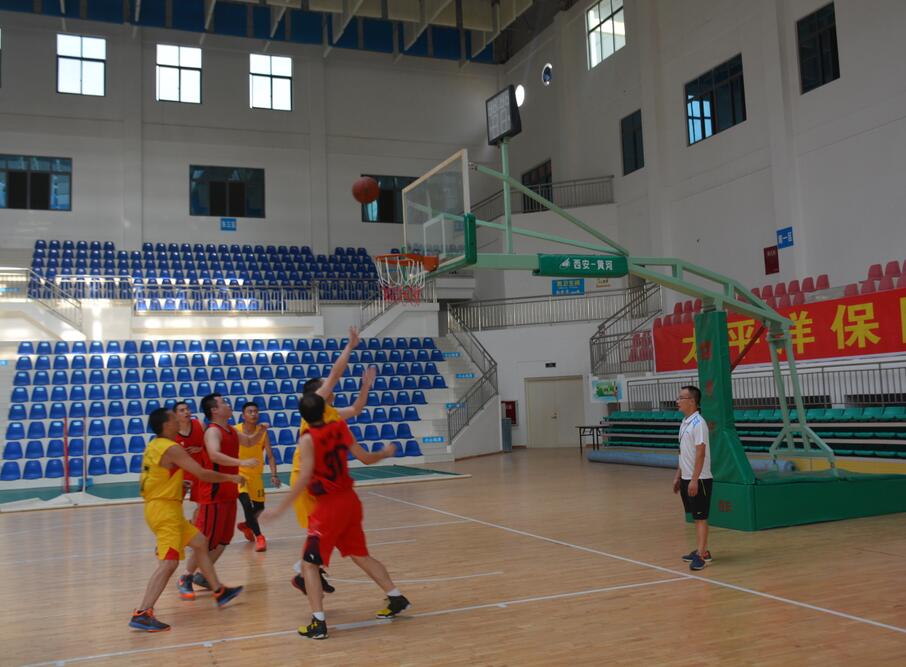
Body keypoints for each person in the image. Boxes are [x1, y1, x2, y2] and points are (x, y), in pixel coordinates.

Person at [262, 393, 409, 640]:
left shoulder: (307, 439)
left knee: (309, 565)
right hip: (350, 501)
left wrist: (279, 509)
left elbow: (304, 477)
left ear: (302, 416)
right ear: (325, 411)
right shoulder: (339, 427)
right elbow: (366, 458)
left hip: (328, 507)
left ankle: (318, 623)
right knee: (360, 555)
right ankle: (396, 597)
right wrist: (384, 453)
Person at [130, 408, 244, 632]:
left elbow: (155, 475)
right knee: (169, 563)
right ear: (166, 425)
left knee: (200, 542)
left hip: (162, 507)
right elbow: (202, 473)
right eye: (175, 419)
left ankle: (219, 590)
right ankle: (143, 612)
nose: (180, 421)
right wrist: (231, 477)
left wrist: (177, 484)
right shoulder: (171, 448)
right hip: (165, 512)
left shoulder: (155, 445)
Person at [289, 328, 373, 595]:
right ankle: (305, 571)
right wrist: (350, 346)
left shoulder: (331, 414)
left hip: (319, 479)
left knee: (326, 529)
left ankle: (308, 572)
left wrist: (366, 386)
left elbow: (357, 409)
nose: (331, 389)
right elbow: (335, 375)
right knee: (322, 529)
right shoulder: (312, 412)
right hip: (306, 480)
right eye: (325, 387)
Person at [176, 393, 267, 600]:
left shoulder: (232, 431)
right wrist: (241, 463)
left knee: (224, 540)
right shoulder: (212, 432)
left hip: (228, 490)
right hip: (213, 493)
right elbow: (214, 455)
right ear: (214, 410)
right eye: (223, 402)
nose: (228, 404)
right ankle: (185, 577)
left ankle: (203, 576)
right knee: (205, 540)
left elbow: (250, 441)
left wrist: (261, 431)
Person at [672, 385, 713, 571]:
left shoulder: (699, 423)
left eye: (681, 398)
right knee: (696, 517)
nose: (678, 401)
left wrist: (695, 480)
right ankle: (701, 550)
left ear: (692, 401)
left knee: (701, 517)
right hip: (687, 477)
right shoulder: (684, 422)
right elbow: (683, 453)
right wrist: (678, 476)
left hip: (700, 479)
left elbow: (700, 453)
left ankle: (702, 556)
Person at [236, 401, 281, 552]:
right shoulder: (236, 430)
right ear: (243, 415)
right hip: (239, 474)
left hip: (255, 475)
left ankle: (247, 525)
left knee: (259, 508)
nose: (254, 414)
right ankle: (260, 537)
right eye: (250, 411)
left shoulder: (263, 432)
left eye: (256, 411)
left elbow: (270, 456)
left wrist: (274, 475)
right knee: (246, 504)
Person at [173, 401, 207, 508]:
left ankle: (196, 520)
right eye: (182, 410)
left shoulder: (200, 424)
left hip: (199, 470)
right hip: (180, 472)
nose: (186, 412)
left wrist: (201, 449)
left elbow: (212, 446)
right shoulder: (171, 432)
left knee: (202, 506)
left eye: (187, 409)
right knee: (174, 505)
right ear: (175, 415)